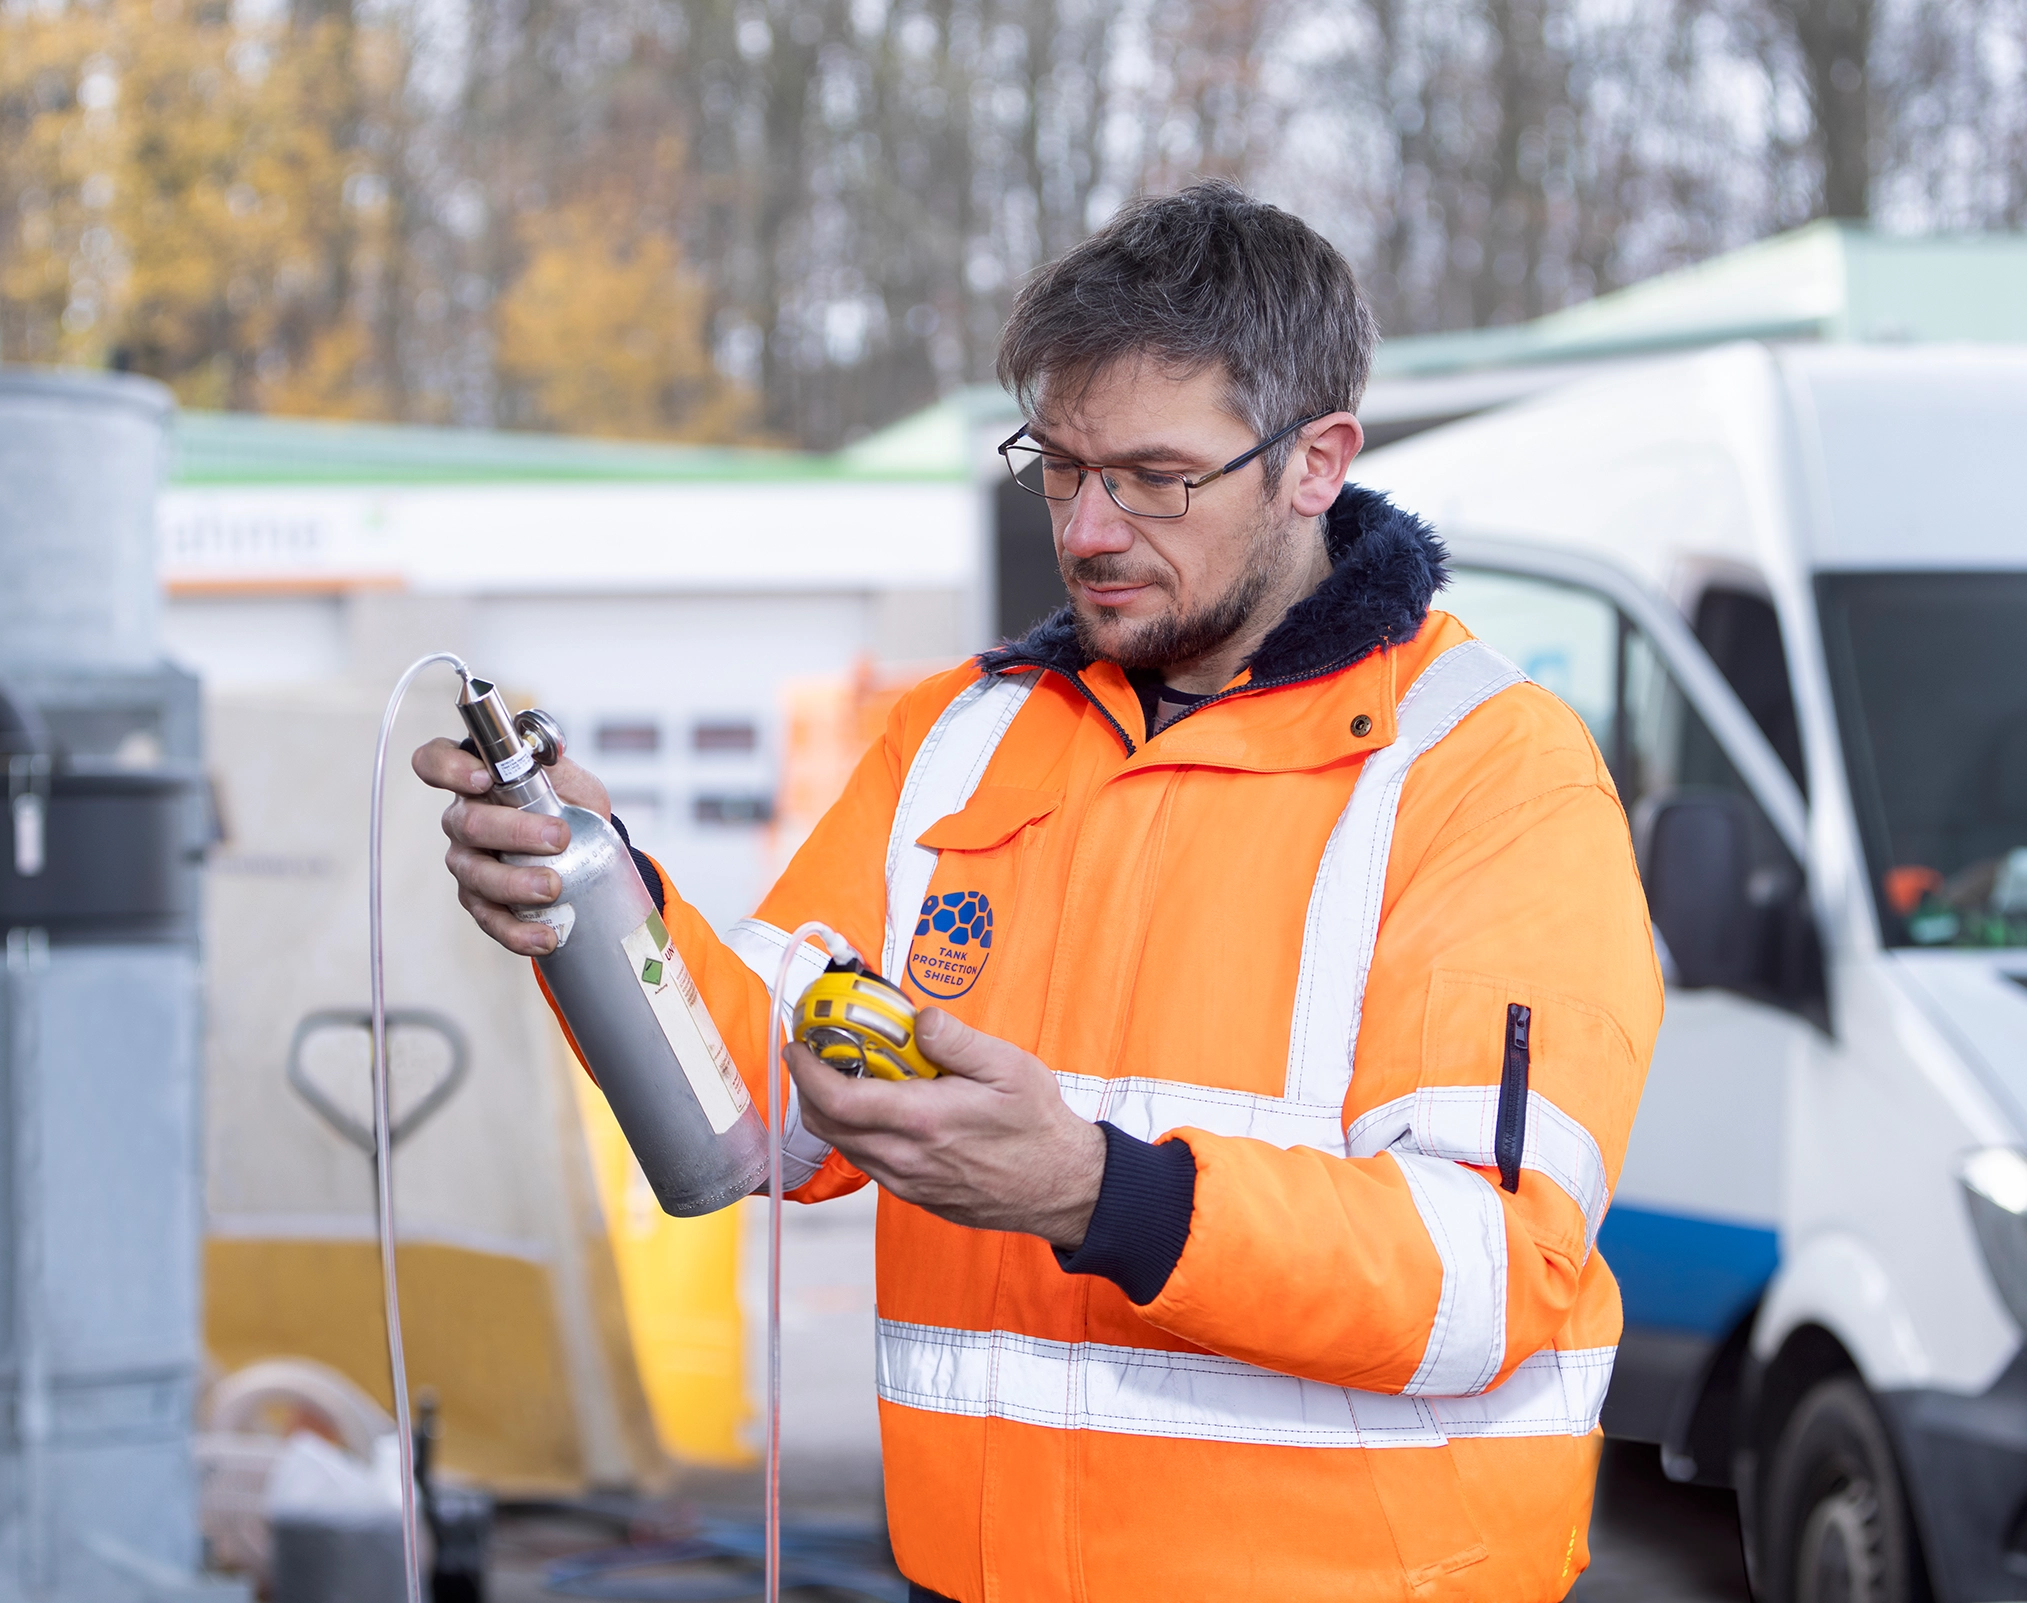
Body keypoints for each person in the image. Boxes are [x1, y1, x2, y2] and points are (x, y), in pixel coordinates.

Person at [415, 180, 1661, 1602]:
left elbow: (1484, 1275)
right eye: (1058, 466)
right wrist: (598, 890)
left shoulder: (1486, 770)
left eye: (1151, 475)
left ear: (1316, 462)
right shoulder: (959, 734)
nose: (1087, 528)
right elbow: (769, 1088)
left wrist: (1100, 1192)